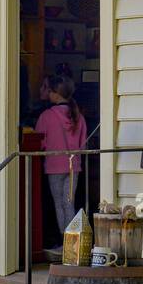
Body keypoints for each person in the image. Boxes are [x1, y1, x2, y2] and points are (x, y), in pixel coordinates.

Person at [35, 74, 87, 249]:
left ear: (55, 94)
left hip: (55, 166)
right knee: (69, 202)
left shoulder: (46, 116)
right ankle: (74, 244)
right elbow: (83, 143)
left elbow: (39, 142)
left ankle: (65, 242)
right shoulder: (78, 116)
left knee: (59, 204)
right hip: (74, 166)